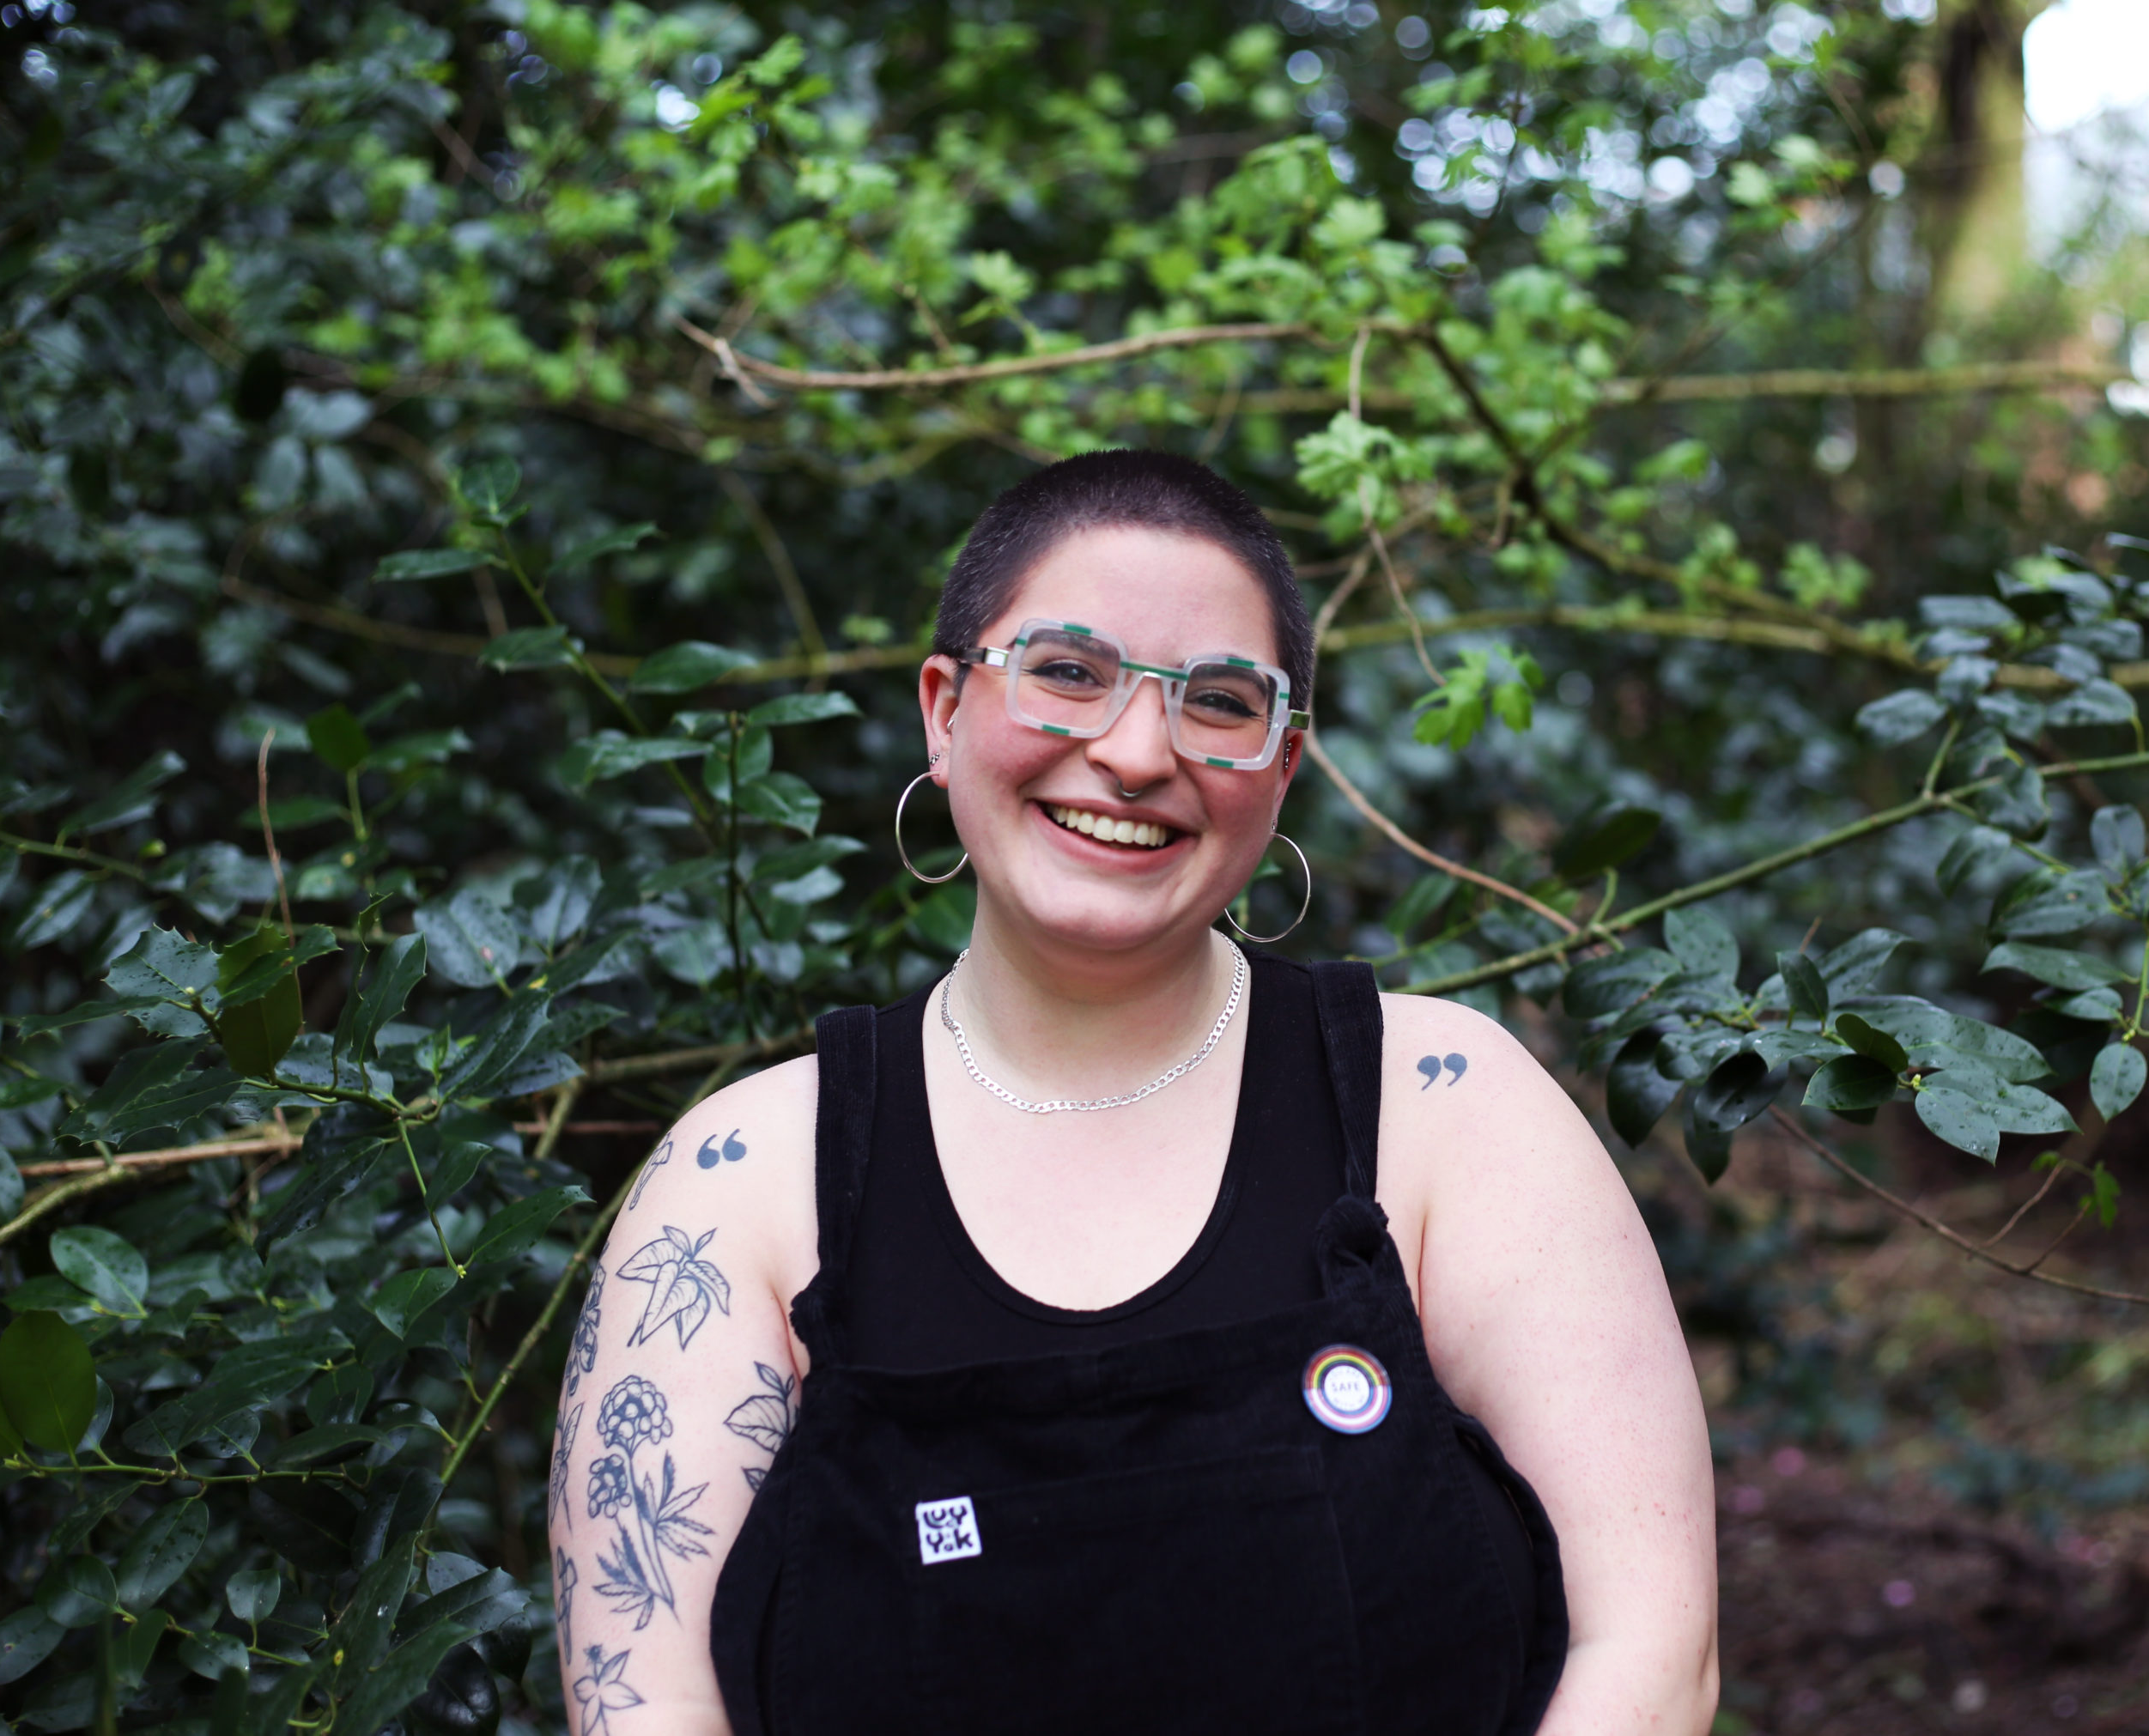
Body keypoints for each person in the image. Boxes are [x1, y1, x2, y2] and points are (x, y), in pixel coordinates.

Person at [548, 451, 1718, 1736]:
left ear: (1283, 765)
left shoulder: (1451, 1112)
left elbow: (1648, 1656)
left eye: (1220, 700)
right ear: (943, 709)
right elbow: (645, 1705)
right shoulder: (737, 1187)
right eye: (1067, 671)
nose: (1137, 750)